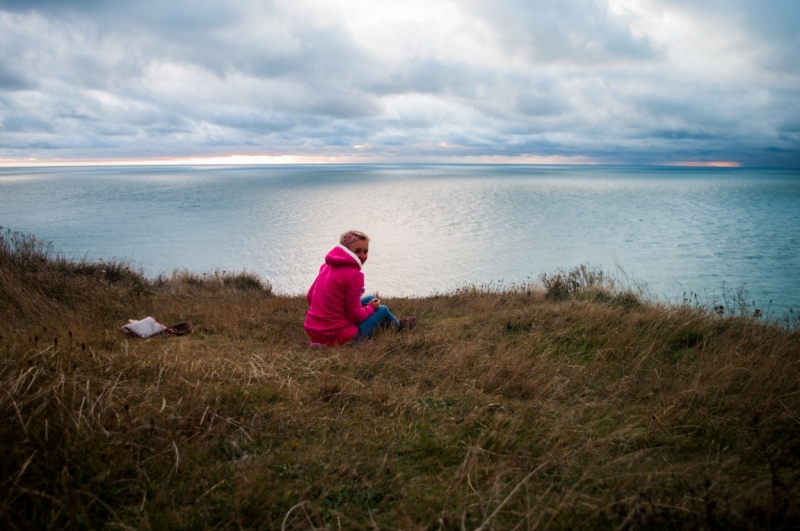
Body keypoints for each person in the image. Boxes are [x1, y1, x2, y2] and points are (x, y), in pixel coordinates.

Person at [304, 230, 416, 346]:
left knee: (371, 297)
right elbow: (354, 316)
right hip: (341, 336)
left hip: (314, 332)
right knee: (382, 309)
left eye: (365, 251)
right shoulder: (355, 275)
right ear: (346, 250)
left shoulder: (326, 266)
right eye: (357, 251)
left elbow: (309, 297)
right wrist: (370, 308)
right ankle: (400, 327)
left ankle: (392, 322)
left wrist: (330, 312)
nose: (363, 256)